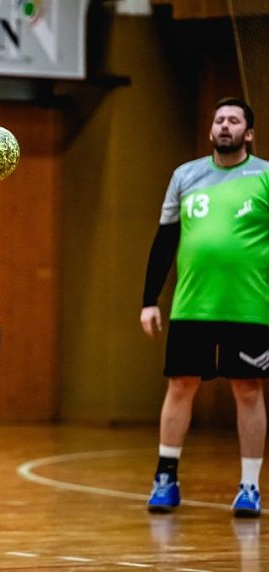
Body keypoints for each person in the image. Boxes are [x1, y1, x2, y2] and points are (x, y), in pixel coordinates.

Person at [140, 97, 269, 518]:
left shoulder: (265, 177)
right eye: (219, 120)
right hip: (191, 304)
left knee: (247, 389)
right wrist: (149, 301)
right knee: (180, 385)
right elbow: (164, 242)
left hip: (249, 306)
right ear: (211, 130)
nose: (225, 126)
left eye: (234, 120)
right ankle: (166, 478)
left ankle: (249, 487)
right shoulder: (186, 175)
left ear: (248, 133)